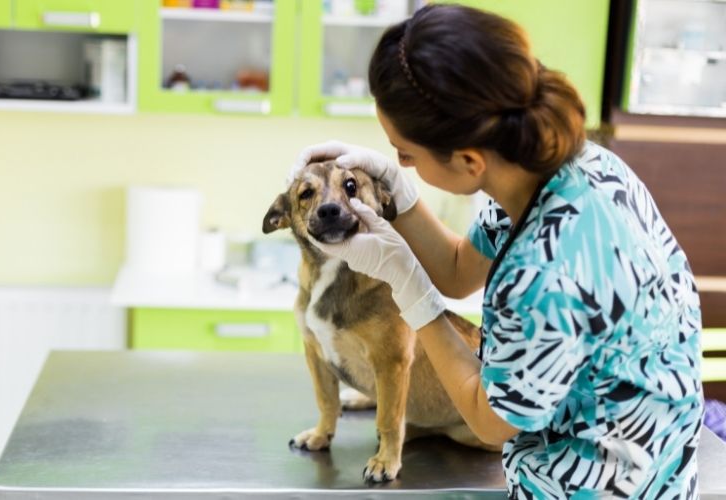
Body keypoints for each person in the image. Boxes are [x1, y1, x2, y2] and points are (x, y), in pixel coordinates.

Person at [288, 4, 703, 499]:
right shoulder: (577, 168)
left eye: (406, 155)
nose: (397, 163)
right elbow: (462, 269)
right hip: (663, 461)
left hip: (596, 485)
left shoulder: (545, 276)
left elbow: (489, 421)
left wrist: (410, 289)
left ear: (468, 161)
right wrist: (400, 194)